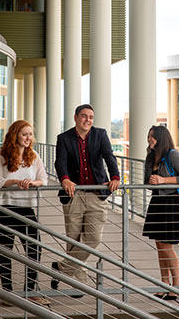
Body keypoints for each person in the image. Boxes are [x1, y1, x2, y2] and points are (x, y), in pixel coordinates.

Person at [51, 104, 120, 288]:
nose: (87, 120)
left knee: (93, 238)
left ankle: (60, 268)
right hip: (73, 194)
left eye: (91, 117)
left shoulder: (100, 135)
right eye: (84, 116)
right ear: (75, 118)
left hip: (96, 193)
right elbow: (60, 162)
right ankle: (79, 283)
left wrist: (115, 177)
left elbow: (109, 156)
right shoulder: (64, 138)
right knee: (73, 241)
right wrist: (64, 179)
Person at [0, 120, 49, 306]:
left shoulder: (33, 156)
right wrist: (15, 181)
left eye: (30, 134)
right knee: (6, 250)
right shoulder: (0, 154)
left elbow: (44, 179)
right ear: (15, 135)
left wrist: (32, 184)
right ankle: (7, 293)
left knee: (34, 248)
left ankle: (30, 291)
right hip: (3, 208)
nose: (28, 138)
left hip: (25, 208)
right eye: (24, 134)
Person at [143, 125, 179, 301]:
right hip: (157, 202)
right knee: (159, 246)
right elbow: (146, 182)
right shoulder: (150, 157)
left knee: (167, 246)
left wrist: (163, 180)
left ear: (161, 138)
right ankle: (164, 283)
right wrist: (151, 181)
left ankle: (177, 285)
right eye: (149, 136)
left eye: (153, 136)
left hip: (171, 203)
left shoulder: (173, 155)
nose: (149, 139)